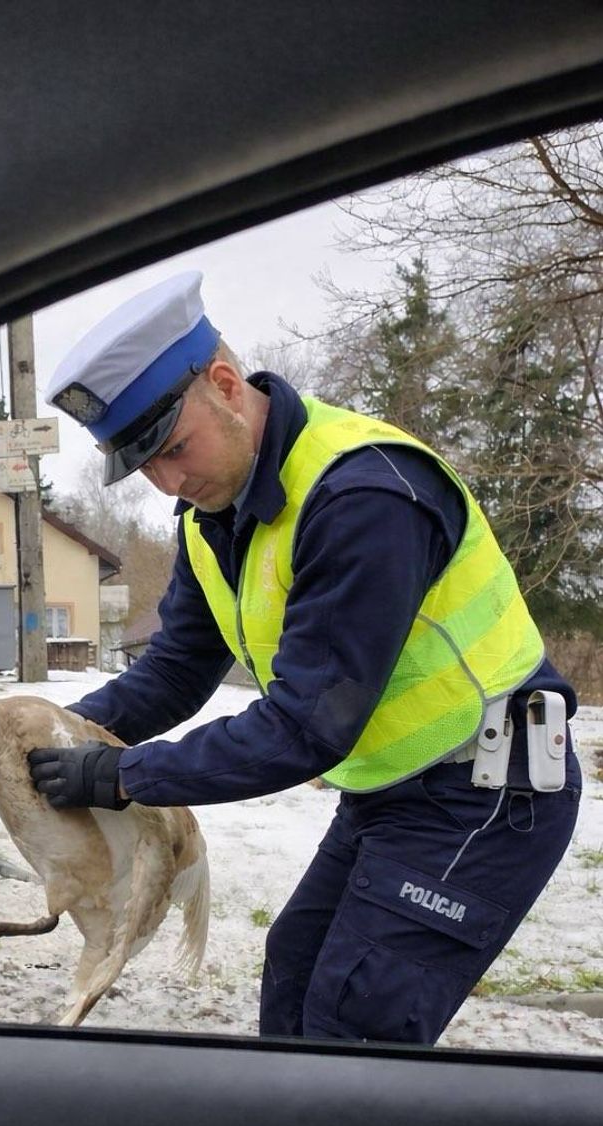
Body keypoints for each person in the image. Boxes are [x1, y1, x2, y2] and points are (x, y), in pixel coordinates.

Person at [28, 271, 581, 1044]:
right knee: (294, 977)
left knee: (353, 1027)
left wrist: (123, 776)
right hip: (391, 790)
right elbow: (177, 669)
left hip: (488, 793)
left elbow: (305, 728)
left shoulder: (363, 497)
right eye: (143, 466)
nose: (167, 482)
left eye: (173, 449)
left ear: (225, 384)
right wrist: (58, 733)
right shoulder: (210, 514)